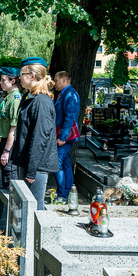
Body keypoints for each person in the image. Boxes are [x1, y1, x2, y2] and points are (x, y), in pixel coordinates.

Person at [13, 60, 59, 209]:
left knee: (33, 209)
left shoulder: (41, 102)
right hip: (28, 163)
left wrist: (31, 171)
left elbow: (40, 138)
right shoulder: (32, 98)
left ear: (32, 76)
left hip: (36, 167)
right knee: (26, 208)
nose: (19, 78)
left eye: (22, 74)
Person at [53, 70, 81, 204]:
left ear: (64, 80)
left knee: (57, 163)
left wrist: (63, 137)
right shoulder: (65, 94)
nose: (54, 83)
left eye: (56, 80)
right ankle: (68, 191)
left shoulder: (70, 94)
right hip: (64, 135)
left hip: (66, 136)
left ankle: (62, 194)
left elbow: (69, 117)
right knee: (65, 163)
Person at [0, 66, 22, 189]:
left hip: (9, 144)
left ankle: (11, 207)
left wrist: (6, 151)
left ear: (13, 81)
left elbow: (13, 128)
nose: (0, 83)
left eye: (3, 80)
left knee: (9, 179)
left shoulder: (15, 99)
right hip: (4, 143)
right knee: (5, 177)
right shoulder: (7, 97)